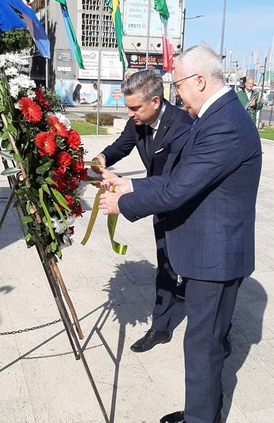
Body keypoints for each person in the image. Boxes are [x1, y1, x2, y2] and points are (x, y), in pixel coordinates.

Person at [99, 45, 262, 423]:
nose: (177, 94)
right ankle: (206, 410)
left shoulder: (221, 123)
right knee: (206, 343)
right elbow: (180, 179)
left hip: (215, 256)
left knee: (202, 345)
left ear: (200, 81)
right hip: (212, 250)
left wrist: (124, 203)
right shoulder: (218, 115)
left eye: (178, 85)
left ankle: (200, 418)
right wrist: (130, 185)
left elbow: (177, 189)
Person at [92, 69, 193, 353]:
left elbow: (173, 180)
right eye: (128, 107)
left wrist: (127, 186)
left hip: (184, 204)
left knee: (183, 261)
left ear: (156, 102)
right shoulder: (138, 121)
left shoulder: (182, 127)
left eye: (135, 108)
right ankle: (161, 328)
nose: (130, 114)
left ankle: (208, 323)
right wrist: (101, 158)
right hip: (157, 200)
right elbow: (120, 146)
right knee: (165, 263)